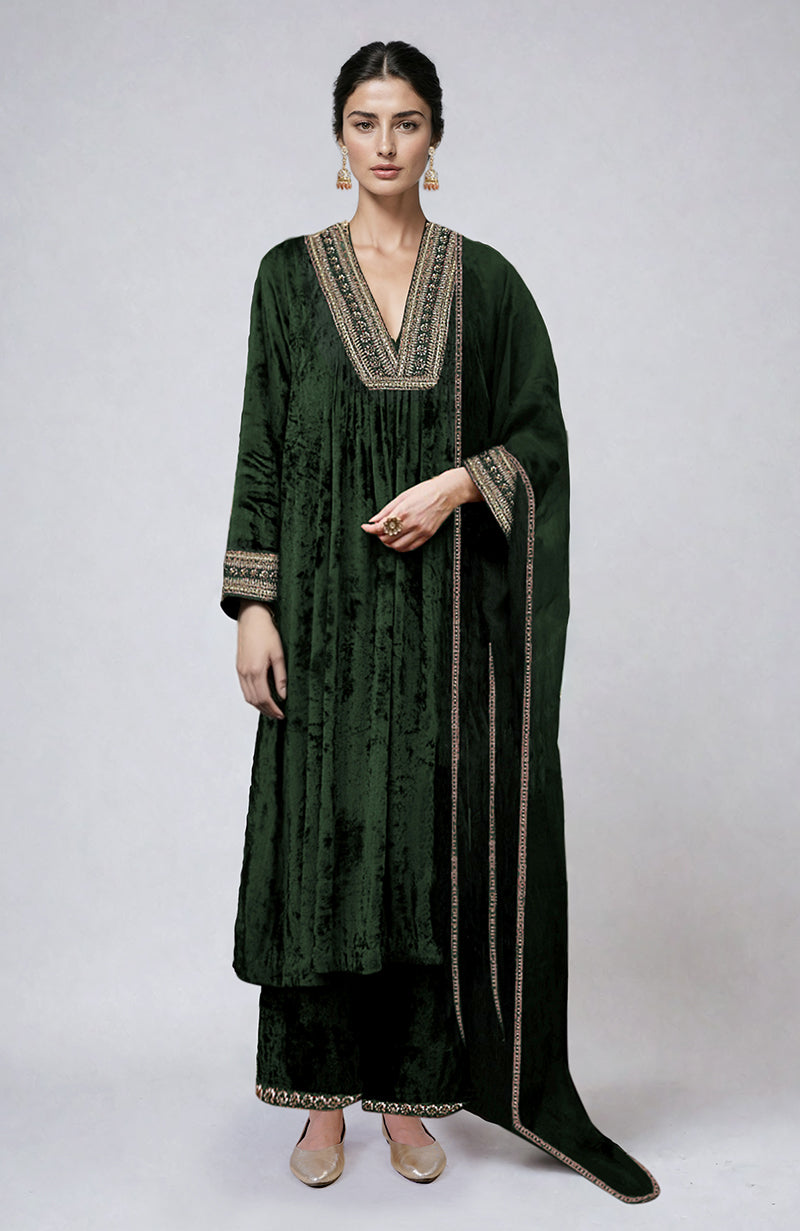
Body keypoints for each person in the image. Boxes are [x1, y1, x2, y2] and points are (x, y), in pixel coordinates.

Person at [220, 40, 660, 1202]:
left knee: (424, 844)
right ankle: (320, 1100)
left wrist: (461, 484)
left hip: (438, 626)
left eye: (405, 121)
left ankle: (409, 1093)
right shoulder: (284, 277)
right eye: (364, 122)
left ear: (434, 137)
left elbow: (539, 439)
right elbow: (260, 446)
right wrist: (252, 605)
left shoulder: (485, 284)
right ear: (338, 137)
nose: (384, 144)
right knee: (323, 841)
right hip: (319, 621)